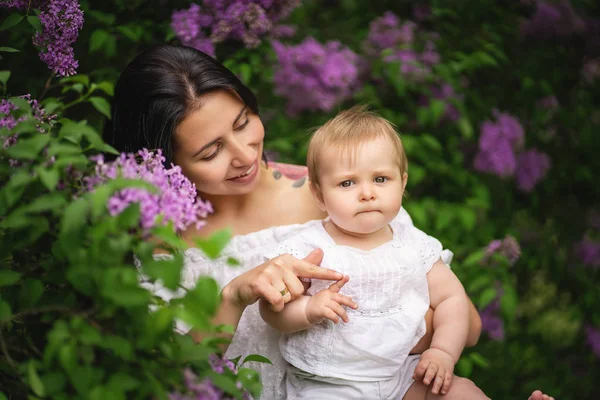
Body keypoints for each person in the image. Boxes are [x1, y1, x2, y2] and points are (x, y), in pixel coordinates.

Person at [104, 44, 554, 400]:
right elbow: (175, 378)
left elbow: (464, 322)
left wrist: (386, 337)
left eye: (244, 123)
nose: (244, 155)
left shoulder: (338, 193)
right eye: (210, 152)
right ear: (165, 165)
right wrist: (235, 295)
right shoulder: (160, 244)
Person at [259, 106, 489, 399]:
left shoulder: (414, 244)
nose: (367, 193)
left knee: (461, 391)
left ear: (402, 182)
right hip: (329, 383)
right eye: (347, 182)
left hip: (404, 375)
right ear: (318, 194)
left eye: (380, 179)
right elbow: (270, 309)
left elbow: (452, 299)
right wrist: (307, 309)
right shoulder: (306, 247)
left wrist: (443, 351)